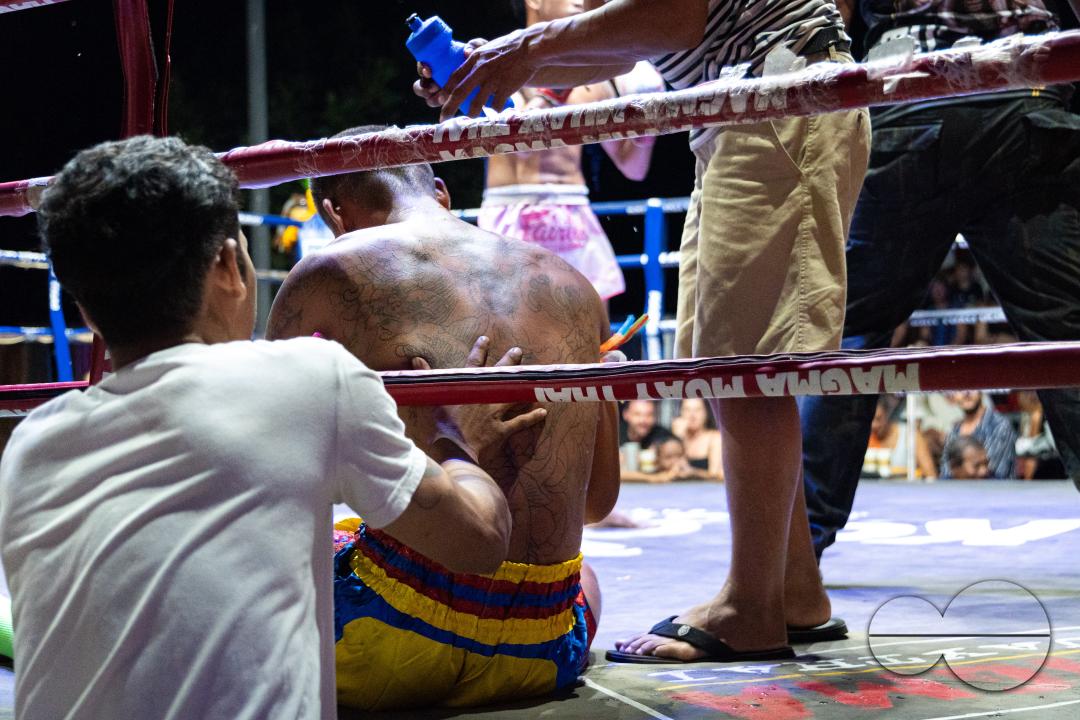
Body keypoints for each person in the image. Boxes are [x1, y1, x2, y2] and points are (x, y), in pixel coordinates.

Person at [0, 136, 545, 720]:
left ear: (84, 309)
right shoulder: (310, 379)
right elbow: (479, 541)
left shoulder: (31, 442)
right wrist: (454, 434)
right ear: (229, 265)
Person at [416, 0, 867, 663]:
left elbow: (672, 15)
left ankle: (751, 606)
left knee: (742, 360)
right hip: (749, 99)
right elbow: (634, 44)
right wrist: (502, 64)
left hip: (772, 94)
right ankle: (793, 588)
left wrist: (525, 52)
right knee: (732, 356)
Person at [265, 128, 620, 710]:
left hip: (383, 640)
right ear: (441, 191)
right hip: (546, 644)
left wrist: (442, 451)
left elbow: (273, 480)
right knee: (587, 579)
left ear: (333, 213)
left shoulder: (331, 270)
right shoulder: (574, 285)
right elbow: (595, 503)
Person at [801, 0, 1080, 559]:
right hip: (1022, 91)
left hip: (911, 90)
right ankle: (795, 553)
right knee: (1066, 334)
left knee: (852, 334)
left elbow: (830, 14)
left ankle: (796, 556)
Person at [479, 1, 663, 301]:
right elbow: (523, 146)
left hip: (573, 213)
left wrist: (648, 127)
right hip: (514, 212)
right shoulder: (503, 64)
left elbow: (634, 168)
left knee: (594, 337)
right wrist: (555, 91)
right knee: (518, 330)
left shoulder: (598, 77)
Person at [939, 391, 1017, 479]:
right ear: (953, 395)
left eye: (972, 388)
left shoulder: (999, 426)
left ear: (981, 391)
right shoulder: (954, 431)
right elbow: (946, 472)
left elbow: (992, 475)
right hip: (959, 490)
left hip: (995, 491)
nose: (966, 394)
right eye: (960, 389)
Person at [621, 436, 714, 482]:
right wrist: (654, 478)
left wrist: (694, 472)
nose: (675, 461)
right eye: (669, 457)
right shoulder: (653, 472)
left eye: (679, 455)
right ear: (658, 459)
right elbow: (622, 475)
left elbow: (714, 476)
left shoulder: (689, 473)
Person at [671, 397, 723, 478]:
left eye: (697, 410)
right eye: (687, 410)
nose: (692, 415)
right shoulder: (677, 436)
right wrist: (677, 439)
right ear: (680, 413)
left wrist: (693, 472)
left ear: (706, 413)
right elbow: (671, 471)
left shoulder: (714, 438)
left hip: (708, 489)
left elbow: (716, 475)